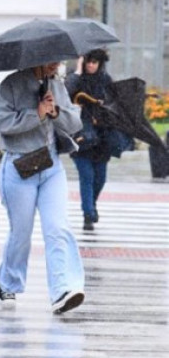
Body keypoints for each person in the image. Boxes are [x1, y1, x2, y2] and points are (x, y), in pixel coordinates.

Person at [0, 61, 85, 314]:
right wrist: (37, 113)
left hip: (51, 166)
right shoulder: (10, 85)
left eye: (59, 60)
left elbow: (74, 122)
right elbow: (3, 124)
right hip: (19, 166)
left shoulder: (56, 84)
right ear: (37, 58)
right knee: (21, 233)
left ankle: (63, 290)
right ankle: (8, 283)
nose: (56, 65)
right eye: (52, 60)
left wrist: (56, 113)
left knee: (57, 228)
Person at [65, 49, 113, 231]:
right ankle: (87, 214)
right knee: (87, 176)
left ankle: (90, 206)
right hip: (81, 135)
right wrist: (77, 70)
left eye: (95, 62)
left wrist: (102, 110)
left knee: (100, 178)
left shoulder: (106, 80)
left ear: (101, 63)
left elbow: (114, 104)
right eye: (88, 61)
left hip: (102, 137)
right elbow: (65, 93)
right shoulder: (74, 78)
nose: (91, 65)